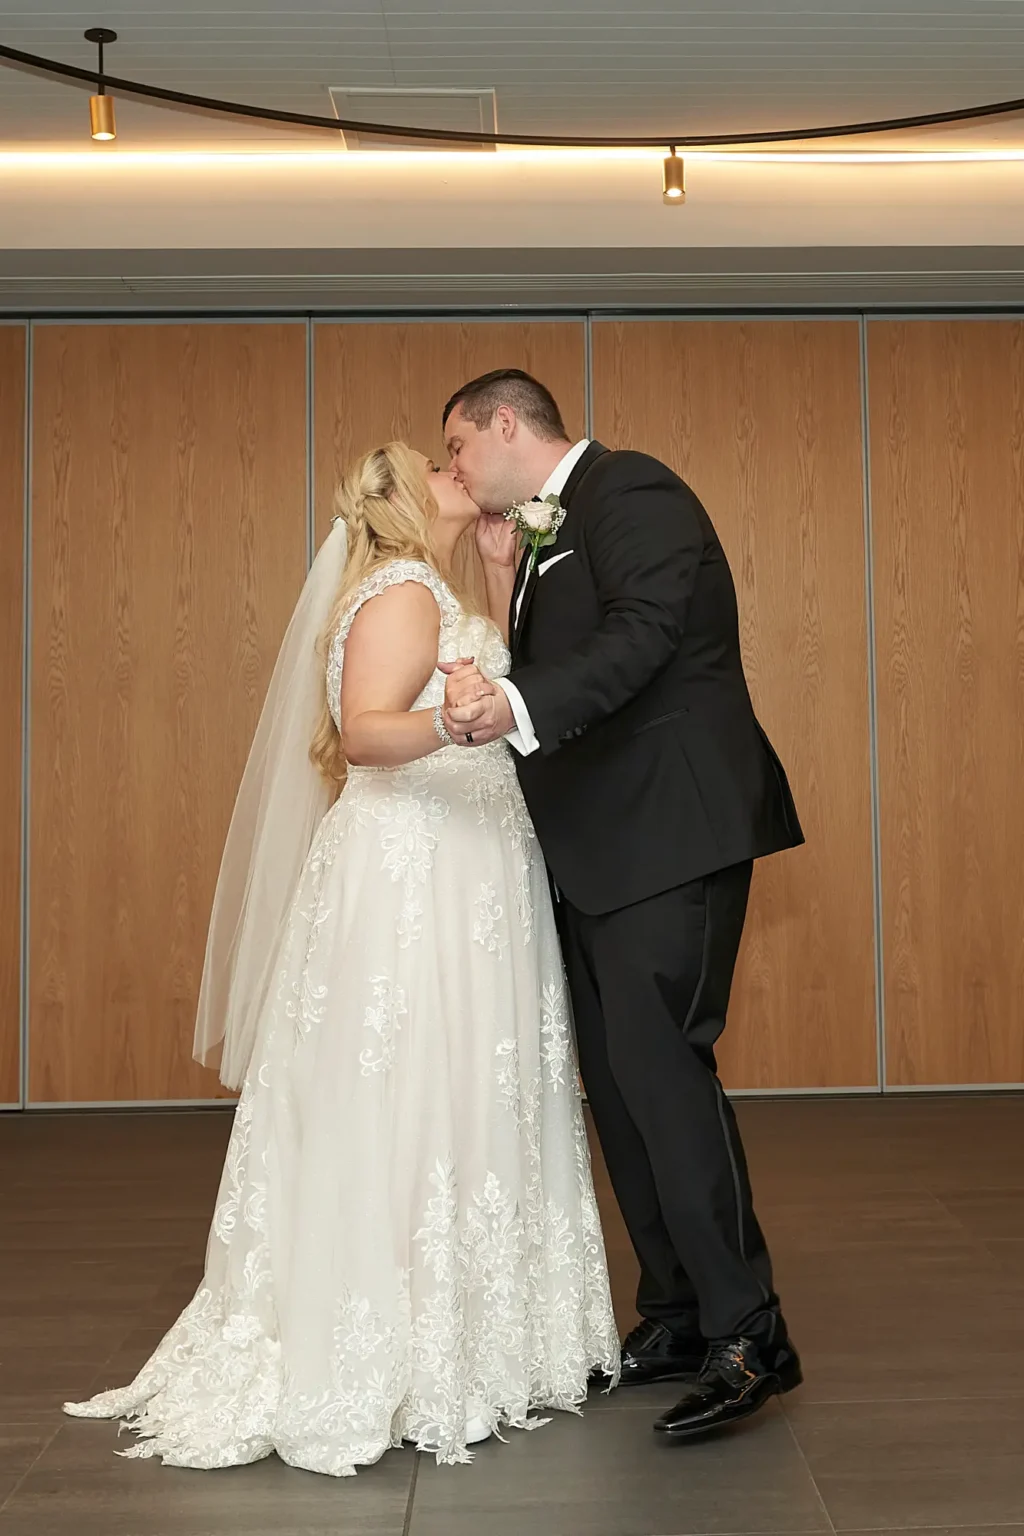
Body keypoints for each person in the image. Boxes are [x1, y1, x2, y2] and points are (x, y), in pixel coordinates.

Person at [63, 442, 620, 1475]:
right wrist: (457, 726)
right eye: (440, 465)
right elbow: (365, 734)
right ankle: (400, 1338)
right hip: (423, 869)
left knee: (448, 1081)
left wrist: (500, 578)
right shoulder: (403, 592)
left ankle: (471, 1324)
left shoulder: (430, 588)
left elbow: (493, 678)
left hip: (462, 862)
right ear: (412, 504)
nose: (460, 468)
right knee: (415, 1083)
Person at [439, 370, 805, 1439]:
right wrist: (509, 588)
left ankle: (751, 1333)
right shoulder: (547, 529)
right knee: (619, 1085)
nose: (455, 471)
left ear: (508, 425)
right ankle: (680, 1312)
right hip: (598, 850)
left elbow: (643, 637)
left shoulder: (632, 490)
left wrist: (510, 701)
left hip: (670, 837)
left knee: (664, 1074)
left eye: (458, 447)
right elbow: (575, 649)